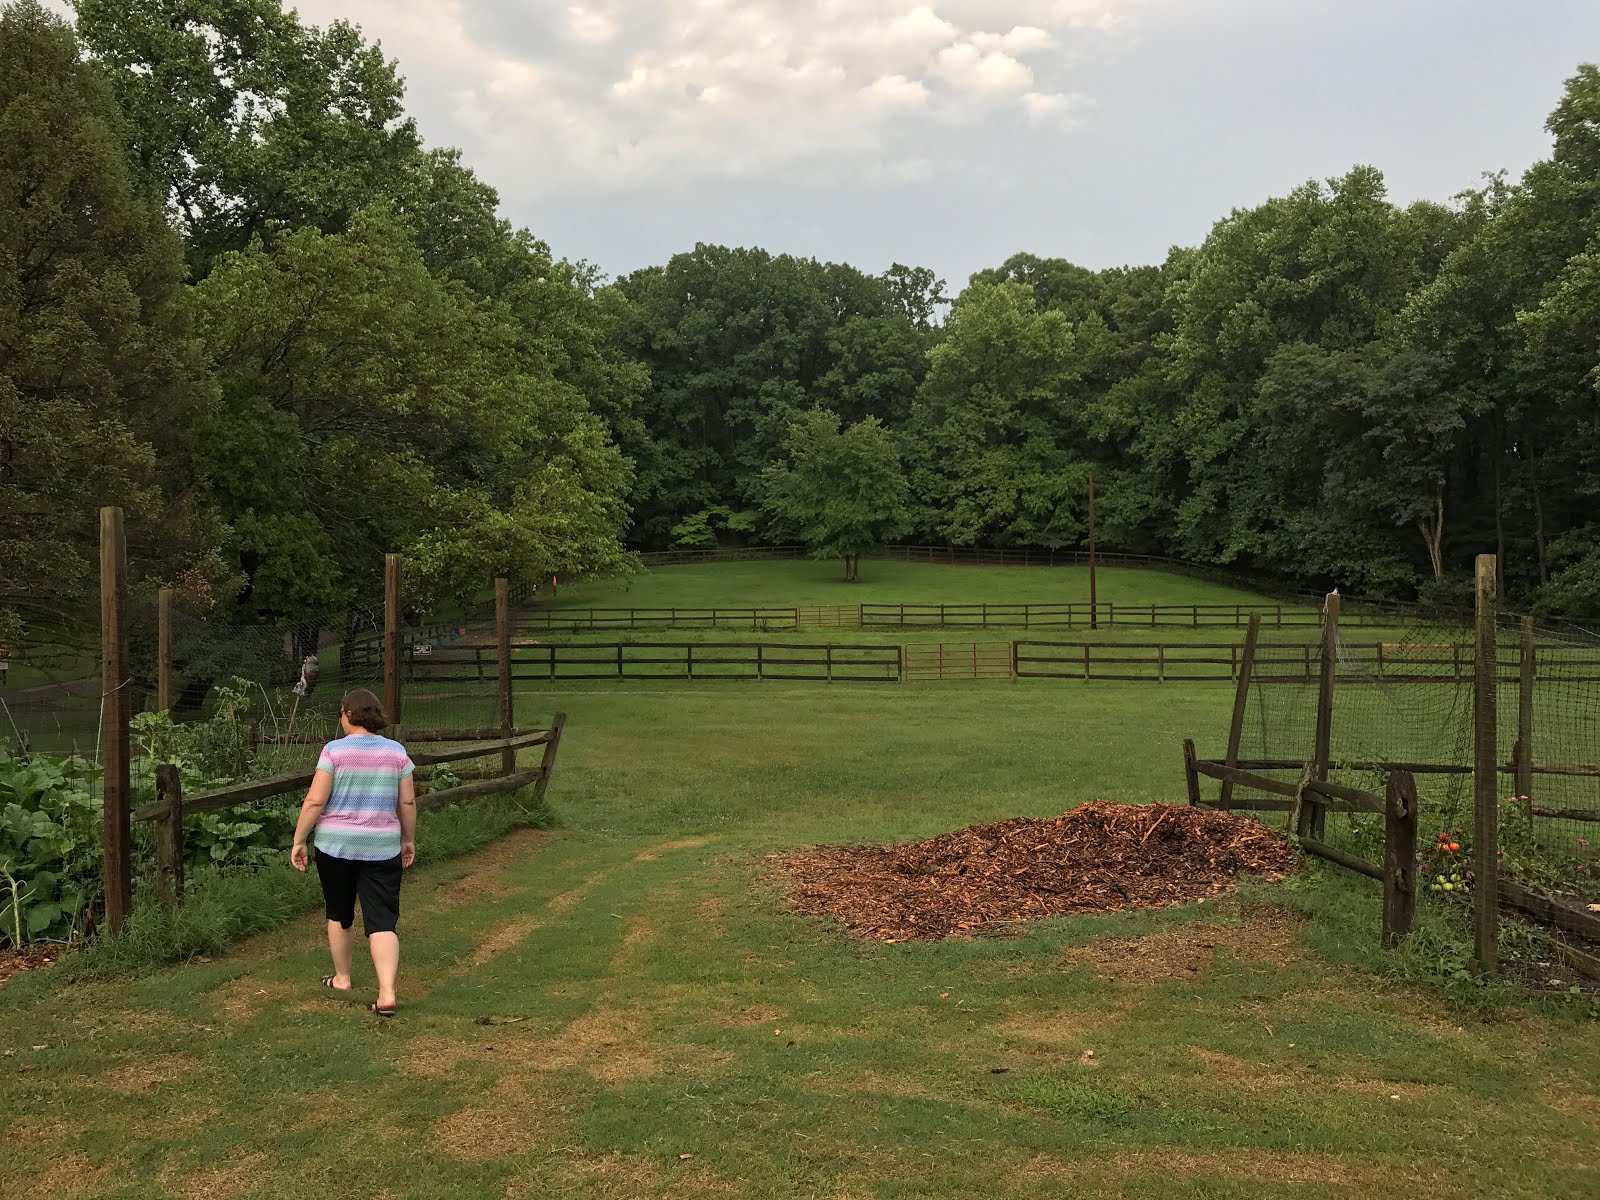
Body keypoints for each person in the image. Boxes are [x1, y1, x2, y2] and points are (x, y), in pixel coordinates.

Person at [290, 688, 416, 1017]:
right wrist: (408, 838)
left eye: (341, 713)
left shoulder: (333, 751)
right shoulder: (397, 752)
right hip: (382, 847)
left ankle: (342, 978)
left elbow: (315, 801)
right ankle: (387, 993)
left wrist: (299, 839)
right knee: (382, 919)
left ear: (349, 714)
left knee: (339, 912)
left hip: (335, 847)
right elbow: (407, 801)